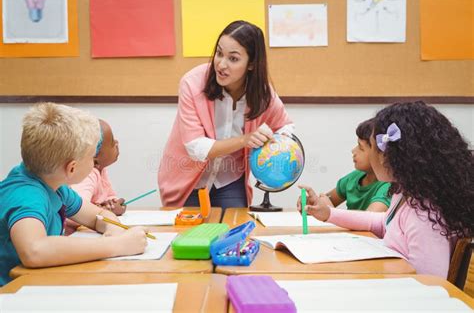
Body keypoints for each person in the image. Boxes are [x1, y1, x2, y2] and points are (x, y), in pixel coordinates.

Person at [298, 101, 474, 278]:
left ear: (387, 156)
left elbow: (429, 285)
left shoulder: (424, 216)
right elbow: (384, 223)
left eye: (372, 148)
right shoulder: (405, 193)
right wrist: (328, 213)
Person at [0, 103, 148, 286]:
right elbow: (34, 251)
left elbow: (98, 216)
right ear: (72, 168)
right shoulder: (26, 195)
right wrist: (117, 246)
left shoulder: (55, 185)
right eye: (92, 158)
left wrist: (114, 230)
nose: (94, 163)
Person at [158, 20, 294, 209]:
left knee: (234, 232)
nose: (221, 64)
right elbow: (197, 148)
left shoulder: (263, 95)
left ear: (252, 64)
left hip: (229, 181)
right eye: (219, 53)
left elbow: (286, 126)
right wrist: (246, 140)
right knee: (188, 236)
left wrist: (273, 145)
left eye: (233, 58)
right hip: (187, 182)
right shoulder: (192, 83)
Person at [313, 118, 391, 212]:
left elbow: (368, 221)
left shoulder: (388, 186)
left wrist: (331, 213)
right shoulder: (355, 177)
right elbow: (327, 200)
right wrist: (313, 202)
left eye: (361, 148)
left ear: (381, 154)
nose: (353, 151)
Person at [66, 119, 124, 235]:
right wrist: (104, 210)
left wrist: (114, 205)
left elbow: (109, 198)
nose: (117, 143)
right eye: (112, 143)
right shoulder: (87, 176)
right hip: (73, 236)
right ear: (94, 159)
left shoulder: (101, 171)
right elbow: (74, 215)